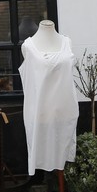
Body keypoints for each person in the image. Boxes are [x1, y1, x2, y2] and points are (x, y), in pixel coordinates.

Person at [19, 20, 78, 177]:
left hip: (66, 110)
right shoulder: (28, 46)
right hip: (41, 113)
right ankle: (52, 184)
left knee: (63, 150)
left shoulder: (67, 42)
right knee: (44, 149)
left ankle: (59, 186)